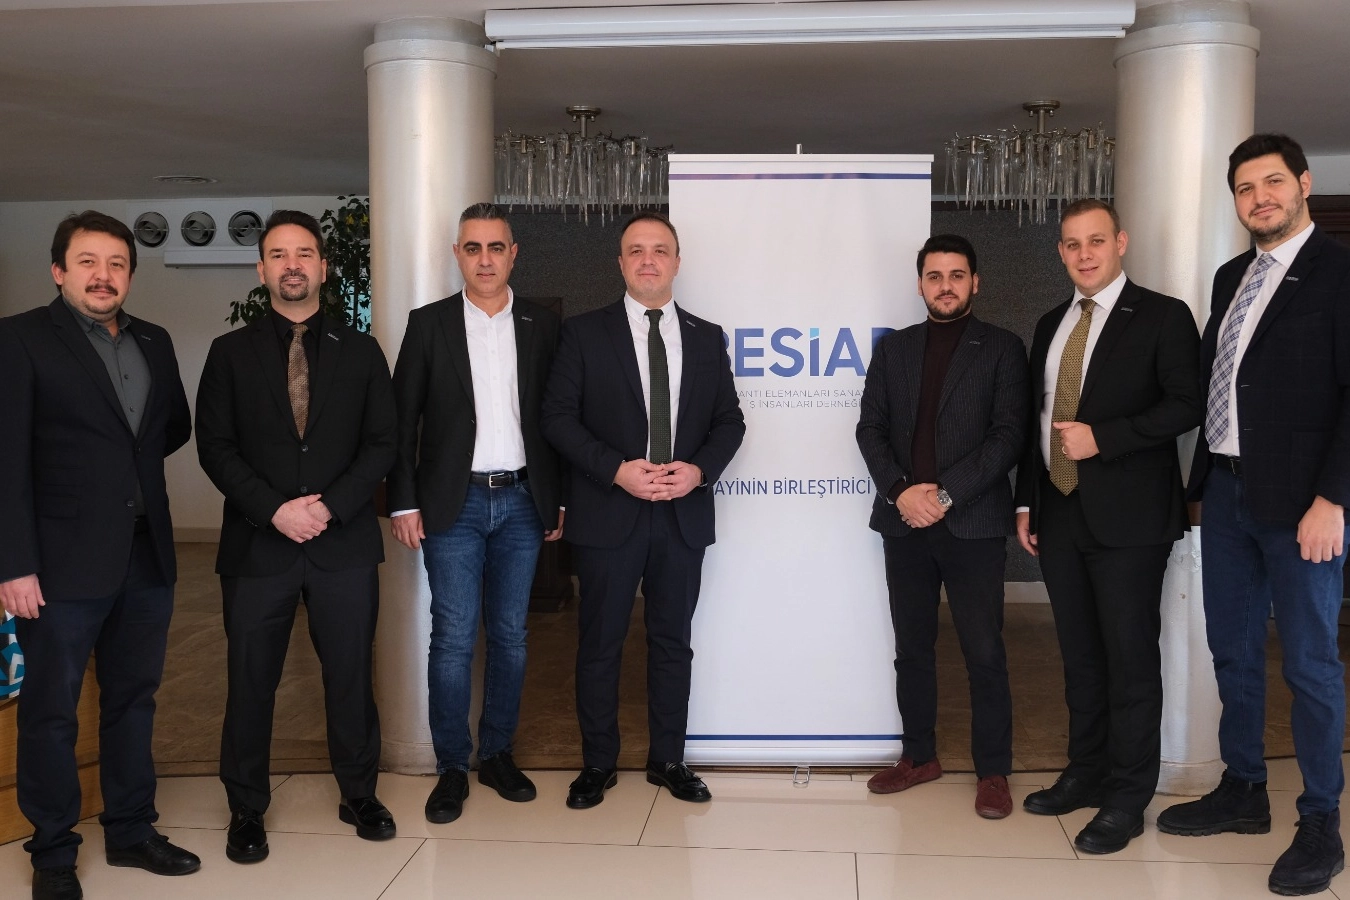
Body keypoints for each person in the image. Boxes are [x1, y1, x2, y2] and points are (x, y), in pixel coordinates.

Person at [1156, 133, 1350, 897]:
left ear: (1302, 184)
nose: (1259, 197)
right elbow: (1227, 379)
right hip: (1230, 495)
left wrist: (1334, 499)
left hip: (1306, 505)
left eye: (1272, 182)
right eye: (1245, 188)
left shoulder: (1339, 272)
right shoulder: (1232, 275)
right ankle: (1243, 789)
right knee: (1231, 651)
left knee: (1309, 665)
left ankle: (1321, 820)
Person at [0, 210, 197, 900]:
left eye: (116, 264)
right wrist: (12, 563)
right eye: (87, 262)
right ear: (59, 271)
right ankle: (53, 851)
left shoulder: (155, 340)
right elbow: (5, 459)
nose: (103, 275)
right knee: (51, 712)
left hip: (146, 558)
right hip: (57, 566)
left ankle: (132, 830)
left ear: (130, 276)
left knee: (134, 701)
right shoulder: (20, 339)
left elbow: (169, 428)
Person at [195, 210, 398, 863]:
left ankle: (359, 793)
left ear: (323, 267)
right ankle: (245, 808)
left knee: (350, 676)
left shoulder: (362, 351)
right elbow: (215, 447)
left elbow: (383, 443)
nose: (292, 265)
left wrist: (329, 508)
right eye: (279, 255)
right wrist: (276, 511)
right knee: (251, 681)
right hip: (259, 545)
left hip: (343, 545)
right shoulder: (229, 353)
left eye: (304, 253)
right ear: (261, 270)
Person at [1014, 198, 1202, 853]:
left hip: (1130, 519)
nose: (1084, 254)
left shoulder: (1163, 316)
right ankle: (1086, 771)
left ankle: (1127, 796)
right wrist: (1028, 502)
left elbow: (1187, 404)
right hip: (1059, 511)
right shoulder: (1051, 323)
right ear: (1060, 252)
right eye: (1072, 244)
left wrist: (1106, 438)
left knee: (1130, 662)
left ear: (1120, 242)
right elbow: (1038, 419)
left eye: (1095, 240)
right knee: (1081, 658)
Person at [541, 211, 745, 809]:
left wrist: (698, 471)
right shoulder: (583, 333)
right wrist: (615, 469)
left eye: (659, 250)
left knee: (672, 643)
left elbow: (730, 421)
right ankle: (597, 762)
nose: (648, 259)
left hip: (681, 515)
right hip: (609, 511)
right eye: (636, 250)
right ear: (621, 263)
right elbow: (557, 418)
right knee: (599, 643)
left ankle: (668, 760)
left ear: (677, 262)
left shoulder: (706, 337)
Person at [388, 203, 564, 824]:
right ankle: (451, 767)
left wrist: (557, 496)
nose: (484, 259)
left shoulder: (543, 324)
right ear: (457, 255)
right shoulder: (428, 324)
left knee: (511, 635)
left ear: (513, 254)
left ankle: (496, 755)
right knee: (454, 637)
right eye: (472, 248)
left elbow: (558, 417)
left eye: (495, 247)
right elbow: (401, 422)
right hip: (451, 502)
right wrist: (403, 500)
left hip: (522, 501)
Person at [856, 234, 1027, 819]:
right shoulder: (894, 350)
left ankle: (993, 770)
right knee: (912, 649)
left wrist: (945, 494)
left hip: (972, 522)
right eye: (935, 276)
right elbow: (870, 429)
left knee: (984, 651)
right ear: (920, 284)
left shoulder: (1002, 348)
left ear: (975, 282)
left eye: (957, 275)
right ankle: (919, 756)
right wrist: (902, 492)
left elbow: (1008, 436)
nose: (945, 285)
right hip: (904, 520)